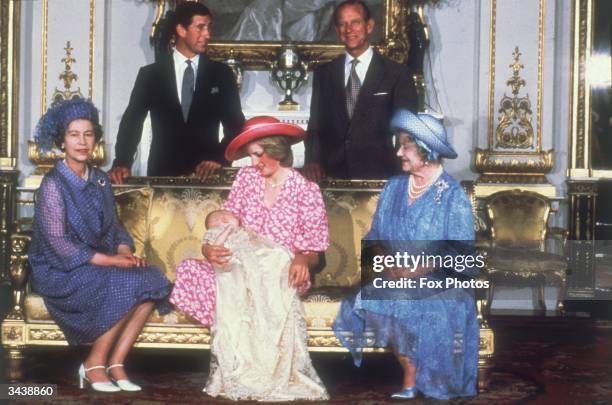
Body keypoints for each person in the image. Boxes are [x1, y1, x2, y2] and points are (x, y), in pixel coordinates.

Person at [170, 116, 329, 401]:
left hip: (282, 268)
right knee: (190, 270)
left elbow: (314, 251)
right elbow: (224, 225)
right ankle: (242, 363)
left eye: (258, 154)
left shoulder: (306, 190)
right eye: (250, 155)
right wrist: (210, 250)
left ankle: (264, 370)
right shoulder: (245, 179)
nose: (254, 162)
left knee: (268, 280)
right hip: (242, 261)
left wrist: (303, 260)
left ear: (277, 149)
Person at [333, 109, 479, 400]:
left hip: (440, 282)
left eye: (406, 146)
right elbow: (375, 236)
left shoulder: (451, 194)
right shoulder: (394, 187)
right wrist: (387, 264)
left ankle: (415, 376)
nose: (398, 152)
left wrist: (420, 268)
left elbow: (462, 253)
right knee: (372, 299)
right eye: (398, 144)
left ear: (426, 148)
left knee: (420, 306)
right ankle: (412, 371)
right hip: (395, 276)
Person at [28, 99, 172, 392]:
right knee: (126, 283)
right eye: (73, 134)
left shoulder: (101, 180)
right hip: (60, 270)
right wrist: (111, 262)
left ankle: (116, 363)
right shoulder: (53, 185)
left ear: (96, 139)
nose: (82, 142)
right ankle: (94, 363)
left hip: (97, 261)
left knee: (151, 278)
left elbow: (114, 227)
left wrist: (122, 250)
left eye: (88, 134)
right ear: (62, 141)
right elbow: (59, 246)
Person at [109, 1, 245, 182]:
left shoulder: (222, 74)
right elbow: (132, 121)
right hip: (162, 175)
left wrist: (219, 158)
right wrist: (122, 162)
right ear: (181, 30)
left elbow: (236, 126)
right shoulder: (151, 75)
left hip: (207, 177)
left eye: (209, 27)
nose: (207, 34)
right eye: (200, 27)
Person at [304, 0, 418, 181]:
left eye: (355, 22)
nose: (349, 29)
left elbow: (407, 129)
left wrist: (402, 173)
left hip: (381, 174)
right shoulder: (324, 73)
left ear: (369, 26)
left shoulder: (396, 73)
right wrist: (312, 160)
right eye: (342, 24)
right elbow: (315, 125)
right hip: (332, 175)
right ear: (337, 30)